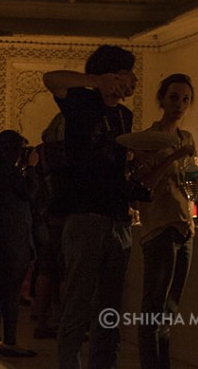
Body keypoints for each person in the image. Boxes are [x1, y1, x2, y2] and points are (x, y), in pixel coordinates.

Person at [42, 44, 137, 369]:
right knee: (78, 303)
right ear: (111, 73)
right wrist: (95, 82)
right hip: (85, 216)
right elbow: (50, 78)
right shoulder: (81, 101)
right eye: (126, 72)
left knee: (110, 310)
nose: (132, 80)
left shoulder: (125, 116)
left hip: (119, 219)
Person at [118, 74, 198, 369]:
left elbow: (192, 186)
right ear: (162, 100)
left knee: (170, 309)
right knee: (153, 306)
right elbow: (142, 187)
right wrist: (171, 158)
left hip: (185, 226)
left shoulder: (187, 139)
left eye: (185, 99)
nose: (180, 105)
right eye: (174, 98)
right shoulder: (149, 139)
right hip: (159, 226)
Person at [0, 129, 38, 358]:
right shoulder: (10, 172)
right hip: (16, 237)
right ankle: (11, 342)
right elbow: (31, 194)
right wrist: (32, 167)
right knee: (12, 292)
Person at [28, 113, 66, 339]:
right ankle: (63, 322)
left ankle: (42, 321)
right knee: (64, 273)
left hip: (42, 218)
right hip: (62, 217)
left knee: (45, 270)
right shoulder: (66, 152)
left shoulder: (39, 151)